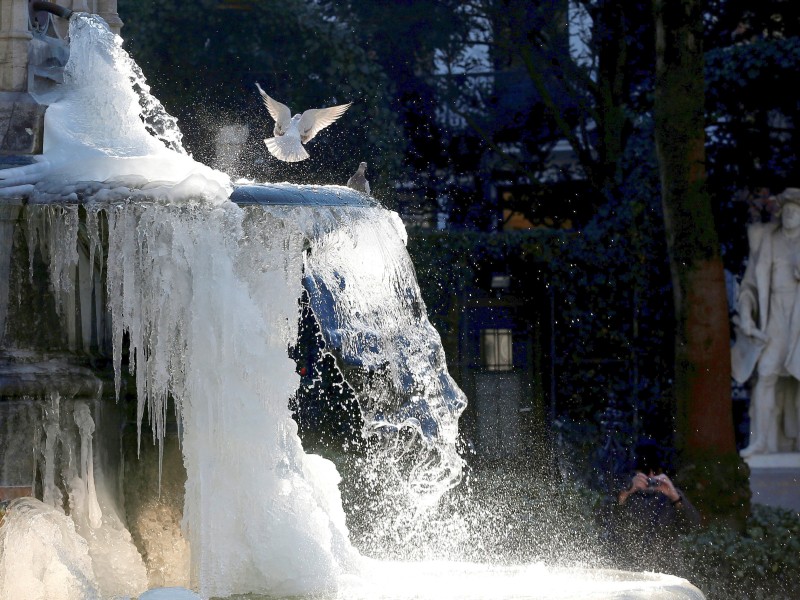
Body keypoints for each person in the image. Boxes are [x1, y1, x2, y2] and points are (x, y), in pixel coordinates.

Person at [732, 187, 800, 456]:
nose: (791, 216)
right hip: (774, 318)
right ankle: (761, 439)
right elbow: (748, 287)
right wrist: (747, 316)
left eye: (797, 212)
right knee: (766, 373)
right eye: (788, 211)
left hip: (799, 319)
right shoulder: (767, 242)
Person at [604, 441, 701, 573]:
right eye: (645, 471)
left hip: (666, 572)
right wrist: (625, 493)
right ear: (636, 472)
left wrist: (675, 498)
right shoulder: (625, 493)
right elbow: (609, 525)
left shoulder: (671, 495)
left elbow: (692, 526)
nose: (650, 476)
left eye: (655, 471)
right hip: (630, 570)